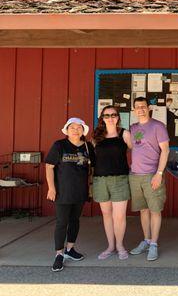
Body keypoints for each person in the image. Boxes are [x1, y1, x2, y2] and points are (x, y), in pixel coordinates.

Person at [44, 117, 95, 272]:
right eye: (72, 127)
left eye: (79, 127)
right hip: (63, 192)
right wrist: (51, 188)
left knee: (75, 221)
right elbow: (49, 167)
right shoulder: (59, 145)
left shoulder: (87, 147)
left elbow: (92, 167)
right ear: (67, 129)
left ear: (83, 130)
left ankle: (70, 249)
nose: (75, 130)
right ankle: (59, 254)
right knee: (62, 222)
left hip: (80, 191)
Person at [128, 97, 170, 261]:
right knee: (143, 210)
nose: (140, 109)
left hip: (152, 175)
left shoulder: (158, 126)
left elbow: (165, 150)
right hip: (135, 176)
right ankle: (146, 240)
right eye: (137, 107)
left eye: (143, 106)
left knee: (155, 210)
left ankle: (154, 244)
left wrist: (159, 174)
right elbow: (132, 147)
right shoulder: (133, 128)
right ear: (134, 110)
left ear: (148, 108)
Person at [92, 106, 132, 260]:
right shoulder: (96, 137)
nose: (110, 118)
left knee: (120, 216)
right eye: (107, 115)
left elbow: (137, 151)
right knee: (106, 214)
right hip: (100, 180)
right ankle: (110, 246)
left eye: (113, 115)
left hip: (120, 179)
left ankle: (120, 245)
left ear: (118, 117)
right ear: (102, 118)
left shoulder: (125, 134)